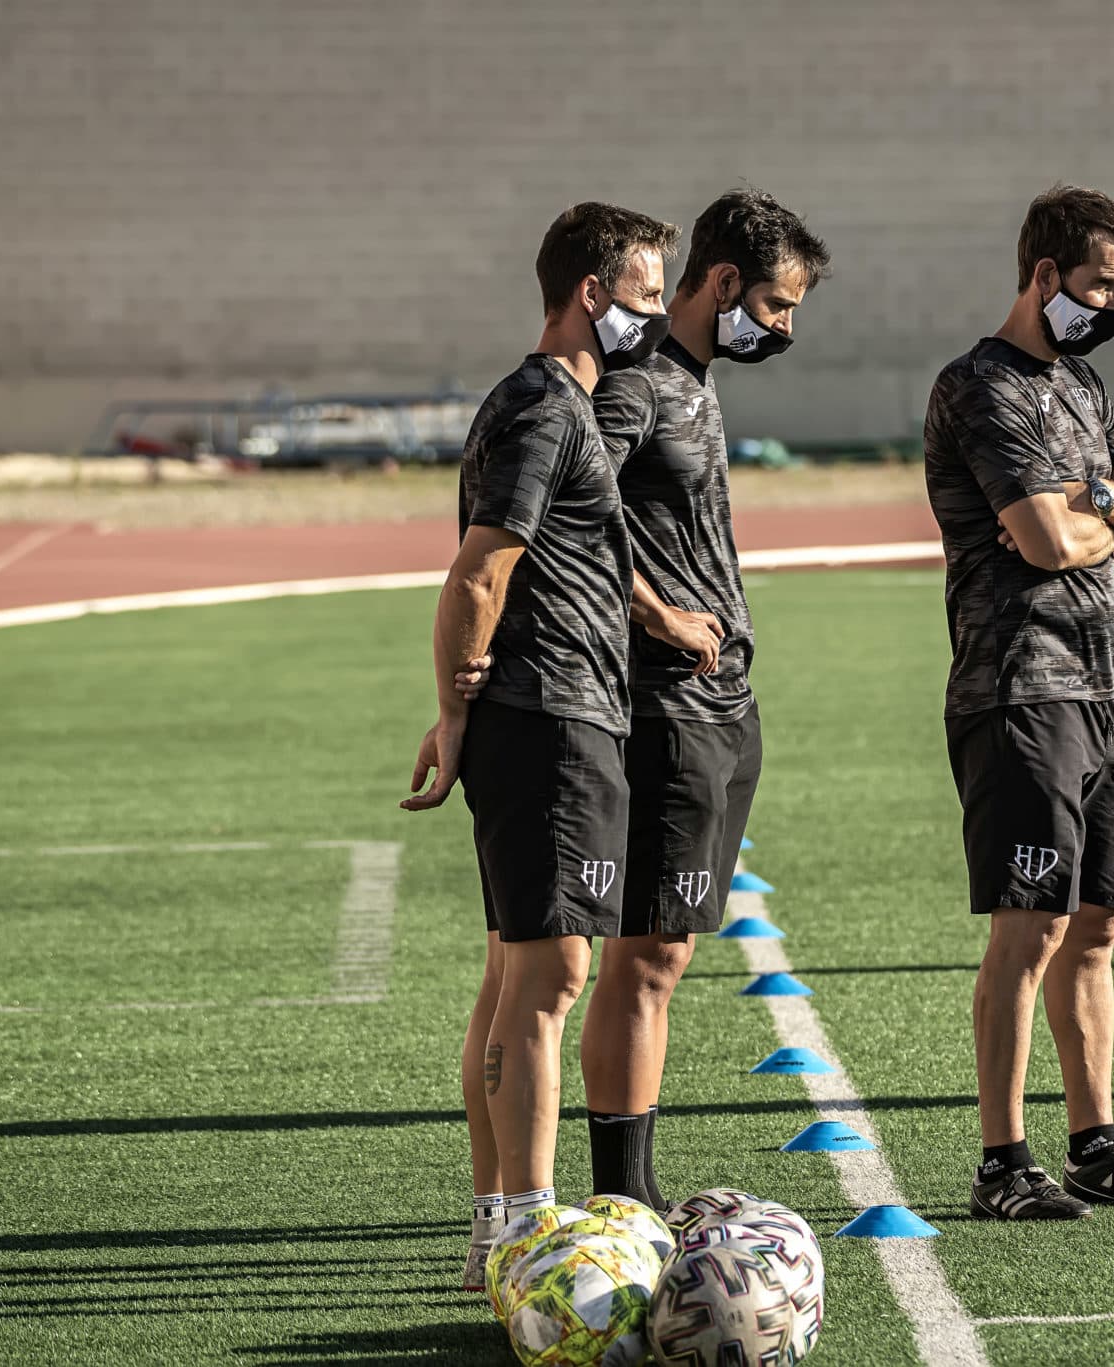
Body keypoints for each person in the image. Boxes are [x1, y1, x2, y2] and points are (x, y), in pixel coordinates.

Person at [400, 201, 678, 1288]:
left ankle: (495, 1230)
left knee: (517, 973)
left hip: (556, 714)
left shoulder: (549, 402)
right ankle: (525, 1229)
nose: (657, 315)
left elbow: (570, 557)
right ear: (591, 294)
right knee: (554, 975)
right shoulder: (547, 407)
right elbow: (479, 571)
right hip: (552, 720)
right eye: (646, 296)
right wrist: (457, 708)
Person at [923, 184, 1114, 1220]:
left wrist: (1099, 502)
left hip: (1100, 683)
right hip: (1017, 689)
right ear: (1044, 275)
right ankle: (1002, 1161)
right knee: (1030, 925)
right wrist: (1106, 506)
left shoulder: (1082, 385)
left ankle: (1095, 1144)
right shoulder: (978, 388)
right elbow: (1043, 542)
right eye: (1100, 284)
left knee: (1096, 924)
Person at [579, 189, 830, 1207]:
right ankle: (623, 1201)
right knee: (646, 958)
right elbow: (566, 512)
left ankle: (632, 1194)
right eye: (774, 304)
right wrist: (658, 615)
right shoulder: (636, 382)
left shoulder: (695, 379)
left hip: (725, 703)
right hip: (664, 704)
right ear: (722, 281)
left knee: (669, 954)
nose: (784, 328)